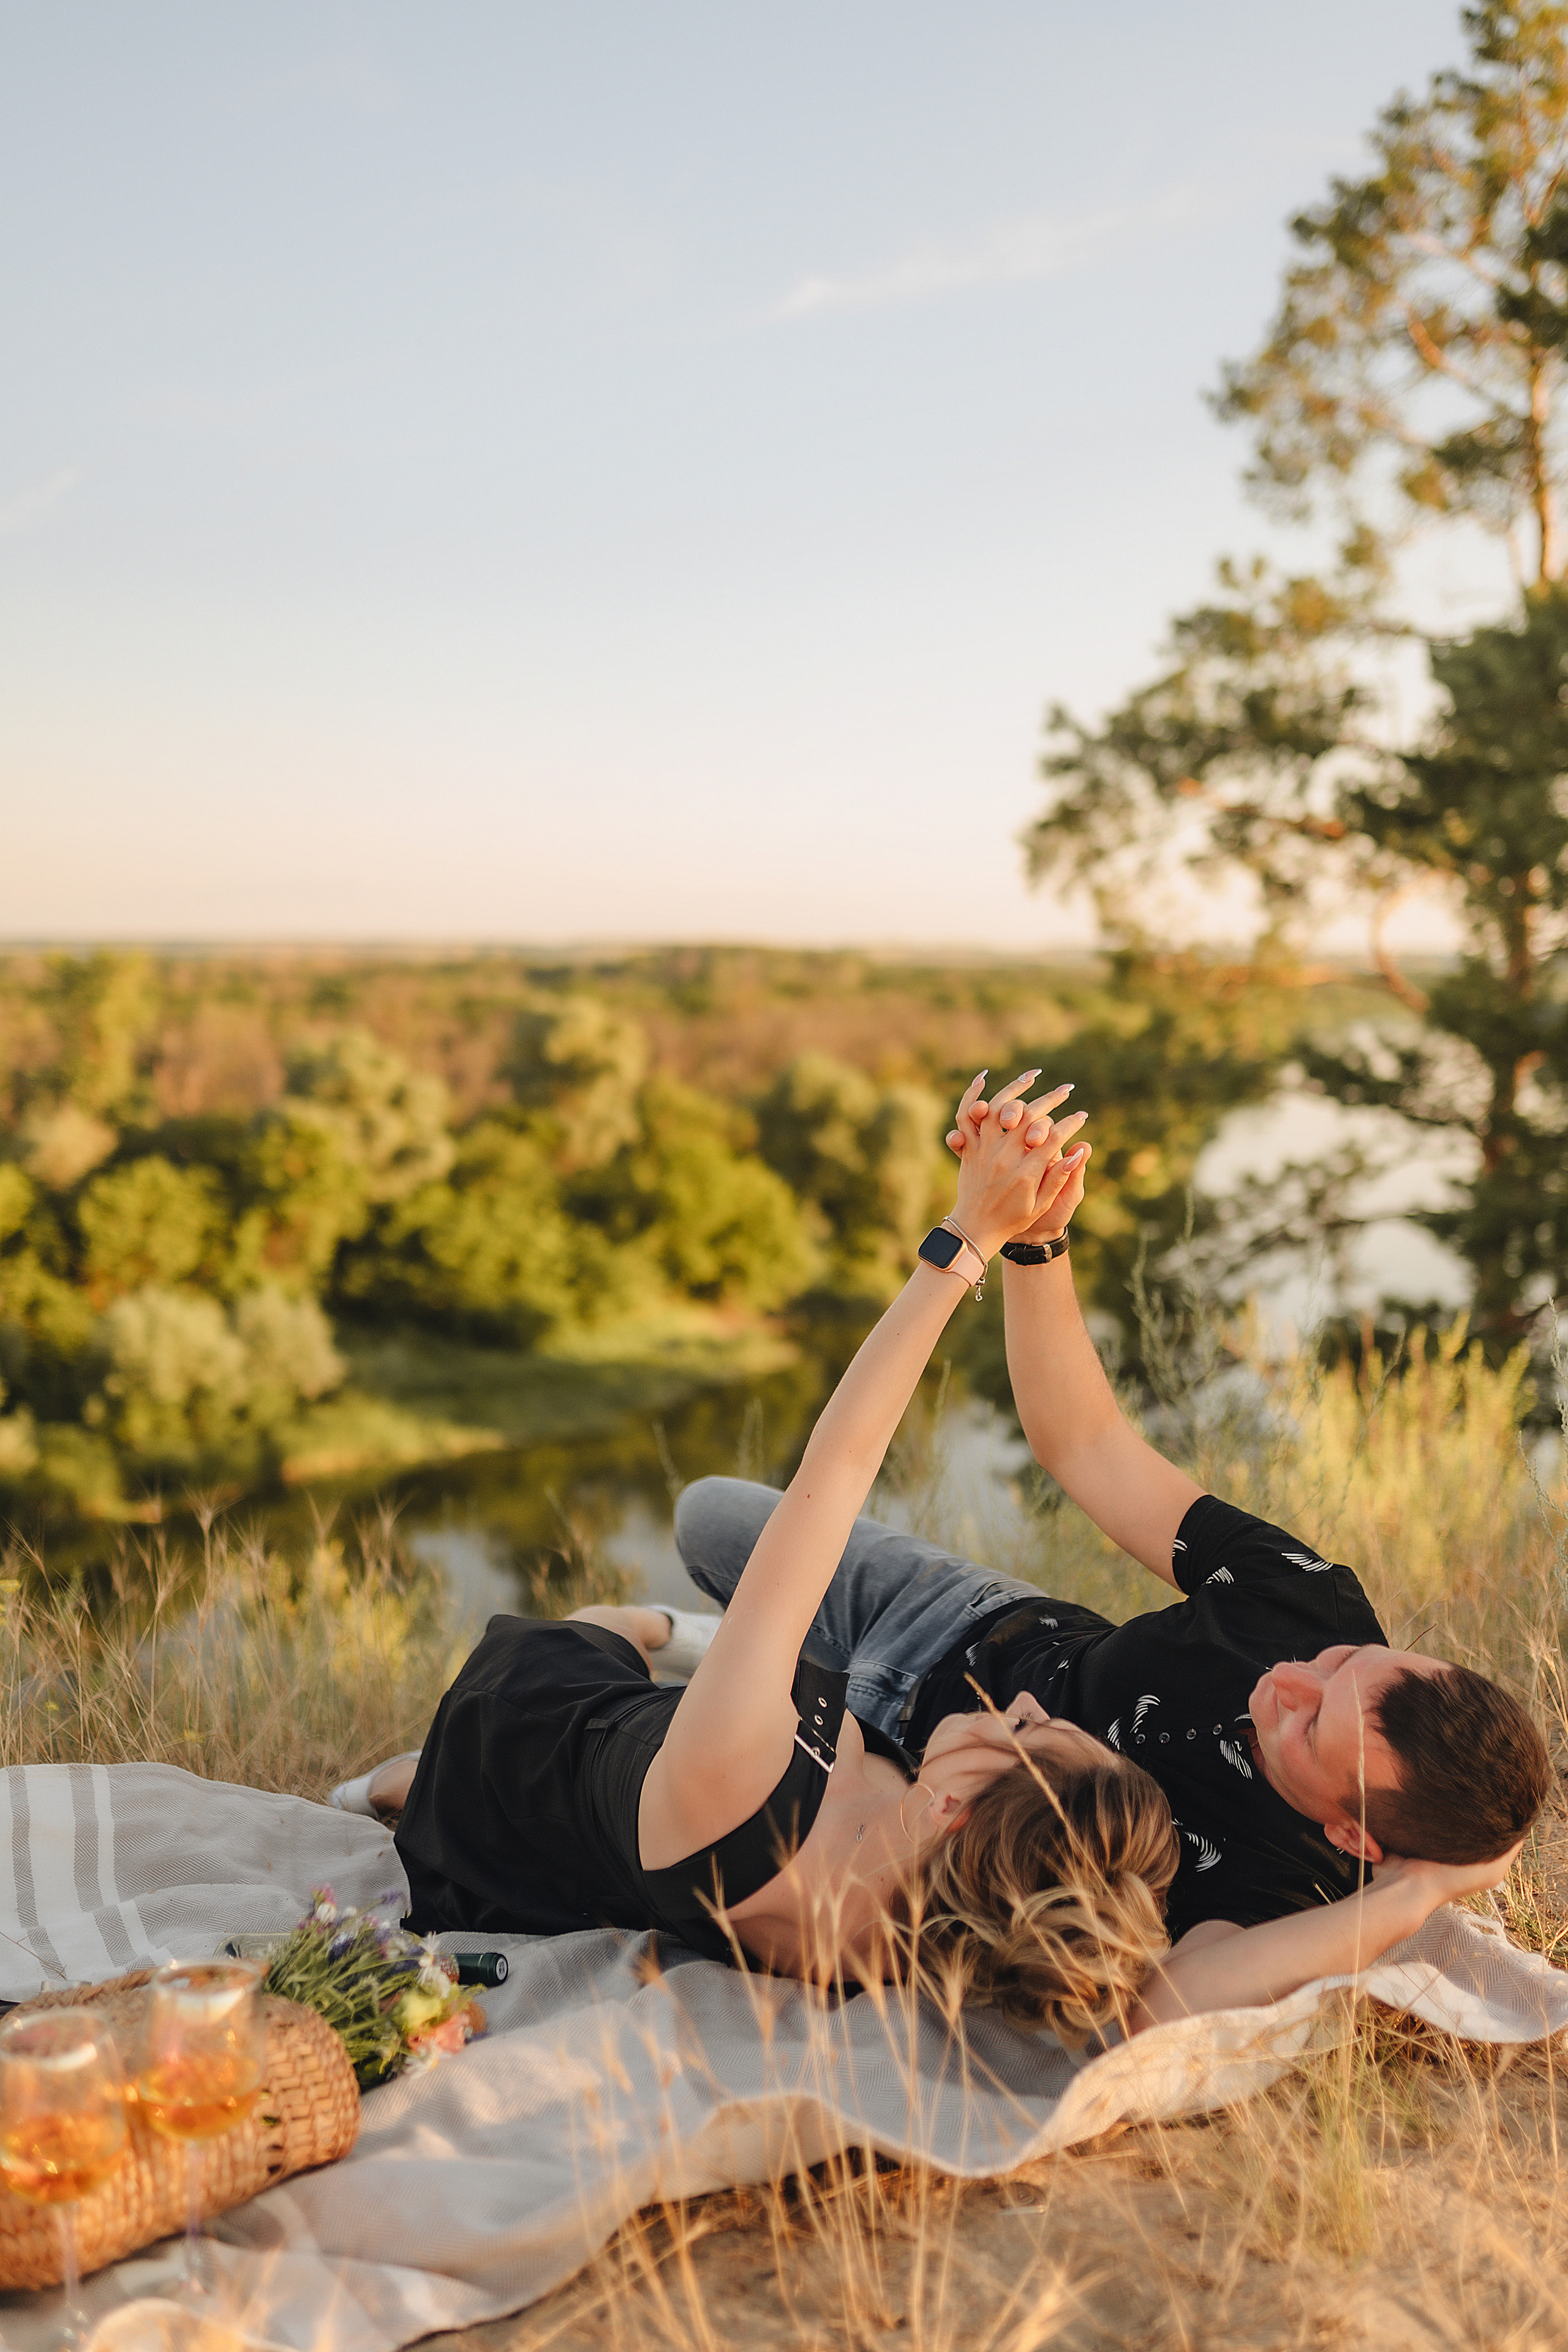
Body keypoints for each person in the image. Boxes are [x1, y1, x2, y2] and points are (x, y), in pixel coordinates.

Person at [673, 1074, 1545, 2033]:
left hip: (902, 1783)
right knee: (708, 1517)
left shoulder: (1293, 1881)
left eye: (1308, 1730)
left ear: (1351, 1830)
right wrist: (1037, 1239)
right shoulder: (1312, 1607)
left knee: (665, 1786)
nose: (1291, 1680)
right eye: (1341, 1667)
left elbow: (1159, 2014)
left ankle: (750, 1665)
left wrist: (1414, 1898)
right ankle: (740, 1652)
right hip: (963, 1622)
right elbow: (1085, 1445)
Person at [372, 1077, 1180, 2046]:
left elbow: (835, 1473)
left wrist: (968, 1237)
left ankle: (463, 1749)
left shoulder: (743, 1776)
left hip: (530, 1733)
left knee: (607, 1633)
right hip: (662, 1824)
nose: (1033, 1707)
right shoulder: (922, 1940)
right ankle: (666, 1657)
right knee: (816, 1729)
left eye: (1031, 1733)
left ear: (958, 1810)